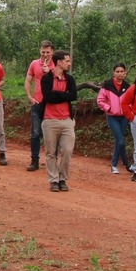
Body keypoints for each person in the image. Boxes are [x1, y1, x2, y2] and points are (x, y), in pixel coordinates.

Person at [40, 50, 77, 191]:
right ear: (59, 62)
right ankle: (54, 180)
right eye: (67, 61)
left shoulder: (70, 79)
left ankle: (62, 178)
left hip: (67, 120)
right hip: (50, 120)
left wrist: (57, 94)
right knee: (51, 152)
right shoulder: (47, 78)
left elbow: (73, 95)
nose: (69, 63)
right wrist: (64, 95)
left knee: (68, 150)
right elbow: (48, 97)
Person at [23, 40, 55, 171]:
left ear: (52, 52)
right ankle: (34, 160)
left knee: (51, 135)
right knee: (35, 133)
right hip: (37, 103)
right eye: (43, 52)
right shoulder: (34, 64)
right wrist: (30, 97)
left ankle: (52, 161)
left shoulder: (57, 65)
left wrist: (50, 72)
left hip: (51, 105)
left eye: (48, 52)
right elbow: (28, 80)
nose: (45, 55)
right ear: (40, 51)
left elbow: (61, 82)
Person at [96, 63, 130, 174]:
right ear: (113, 72)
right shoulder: (107, 85)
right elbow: (100, 100)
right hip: (112, 117)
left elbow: (131, 101)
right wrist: (108, 108)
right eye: (117, 71)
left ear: (125, 73)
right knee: (120, 142)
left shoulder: (127, 86)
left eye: (121, 71)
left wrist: (128, 110)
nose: (120, 73)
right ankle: (127, 164)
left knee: (118, 141)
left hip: (124, 117)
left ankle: (114, 165)